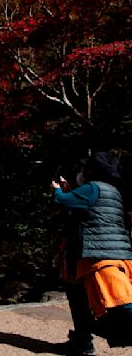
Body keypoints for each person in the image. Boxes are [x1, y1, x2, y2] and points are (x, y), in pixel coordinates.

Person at [52, 151, 132, 353]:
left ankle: (85, 341)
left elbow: (63, 201)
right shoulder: (114, 191)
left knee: (111, 304)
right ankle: (82, 339)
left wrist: (58, 191)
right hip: (119, 251)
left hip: (97, 254)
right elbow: (90, 213)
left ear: (92, 171)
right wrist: (70, 191)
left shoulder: (92, 188)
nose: (80, 171)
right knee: (115, 302)